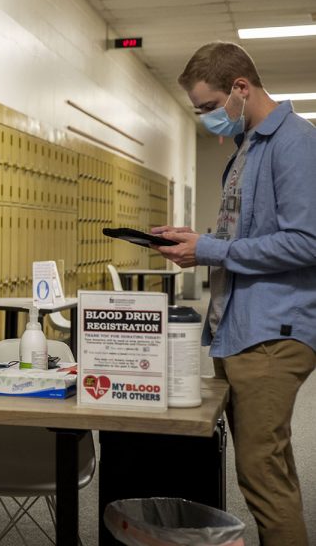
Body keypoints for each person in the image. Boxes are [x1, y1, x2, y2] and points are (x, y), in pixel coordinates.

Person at [153, 41, 316, 546]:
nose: (205, 119)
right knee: (268, 468)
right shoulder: (249, 146)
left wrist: (213, 251)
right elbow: (247, 237)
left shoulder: (295, 143)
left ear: (240, 89)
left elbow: (307, 240)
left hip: (273, 332)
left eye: (207, 106)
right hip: (241, 328)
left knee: (261, 474)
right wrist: (198, 241)